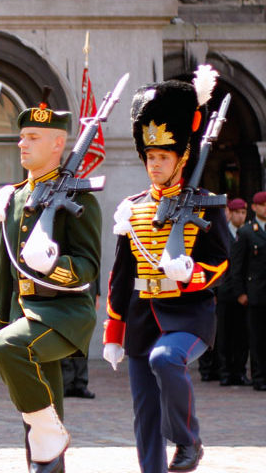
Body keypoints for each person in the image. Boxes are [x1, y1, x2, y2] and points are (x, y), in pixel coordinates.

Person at [103, 68, 230, 473]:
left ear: (182, 157)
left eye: (163, 157)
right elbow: (121, 275)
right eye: (150, 157)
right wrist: (113, 330)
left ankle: (189, 441)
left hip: (190, 314)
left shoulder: (205, 202)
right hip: (142, 317)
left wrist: (190, 273)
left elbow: (222, 258)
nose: (154, 164)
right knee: (145, 418)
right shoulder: (133, 207)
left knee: (166, 359)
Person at [0, 92, 101, 473]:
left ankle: (52, 445)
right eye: (22, 136)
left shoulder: (76, 194)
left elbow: (88, 266)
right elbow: (5, 267)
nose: (22, 142)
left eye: (33, 136)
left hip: (64, 313)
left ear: (58, 144)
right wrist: (1, 318)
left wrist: (54, 264)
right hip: (26, 314)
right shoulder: (15, 197)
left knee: (7, 349)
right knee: (40, 414)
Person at [216, 198, 252, 387]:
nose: (240, 216)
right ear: (229, 213)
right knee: (224, 334)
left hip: (243, 292)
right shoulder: (221, 234)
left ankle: (239, 371)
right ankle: (224, 371)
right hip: (224, 291)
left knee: (242, 335)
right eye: (236, 212)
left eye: (243, 213)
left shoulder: (248, 234)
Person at [232, 191, 266, 391]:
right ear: (254, 207)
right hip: (256, 294)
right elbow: (238, 266)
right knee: (257, 338)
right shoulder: (246, 232)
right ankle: (259, 377)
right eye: (262, 205)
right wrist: (241, 292)